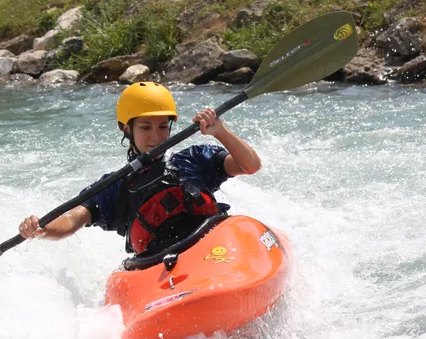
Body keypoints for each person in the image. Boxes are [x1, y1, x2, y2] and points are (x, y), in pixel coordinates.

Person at [19, 81, 262, 256]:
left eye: (162, 127)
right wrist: (42, 228)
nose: (155, 137)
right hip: (161, 267)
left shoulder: (194, 160)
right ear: (127, 129)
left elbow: (250, 165)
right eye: (145, 127)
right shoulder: (115, 186)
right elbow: (72, 219)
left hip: (216, 250)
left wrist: (220, 131)